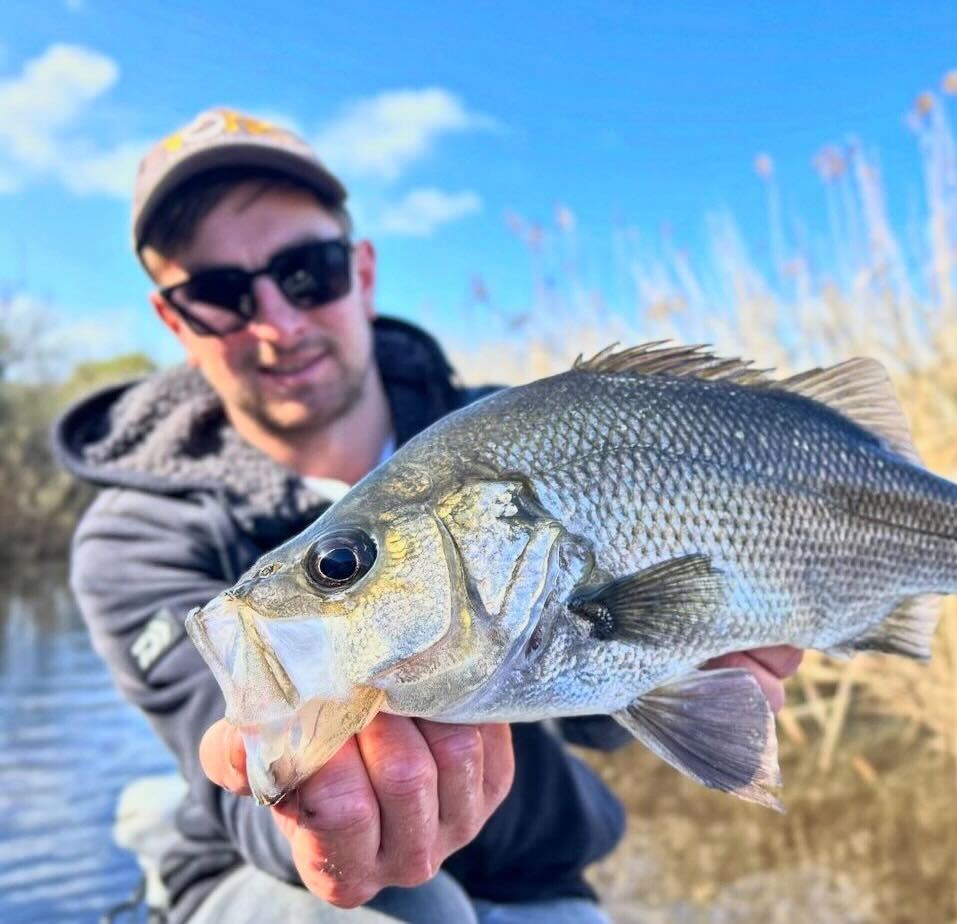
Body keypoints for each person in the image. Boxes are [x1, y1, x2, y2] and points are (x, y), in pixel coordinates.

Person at [53, 108, 803, 923]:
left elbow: (601, 723)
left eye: (308, 272)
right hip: (272, 890)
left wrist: (683, 667)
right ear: (174, 320)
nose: (278, 321)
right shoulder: (133, 535)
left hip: (534, 877)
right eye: (218, 296)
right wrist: (303, 813)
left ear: (364, 272)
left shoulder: (513, 432)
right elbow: (236, 776)